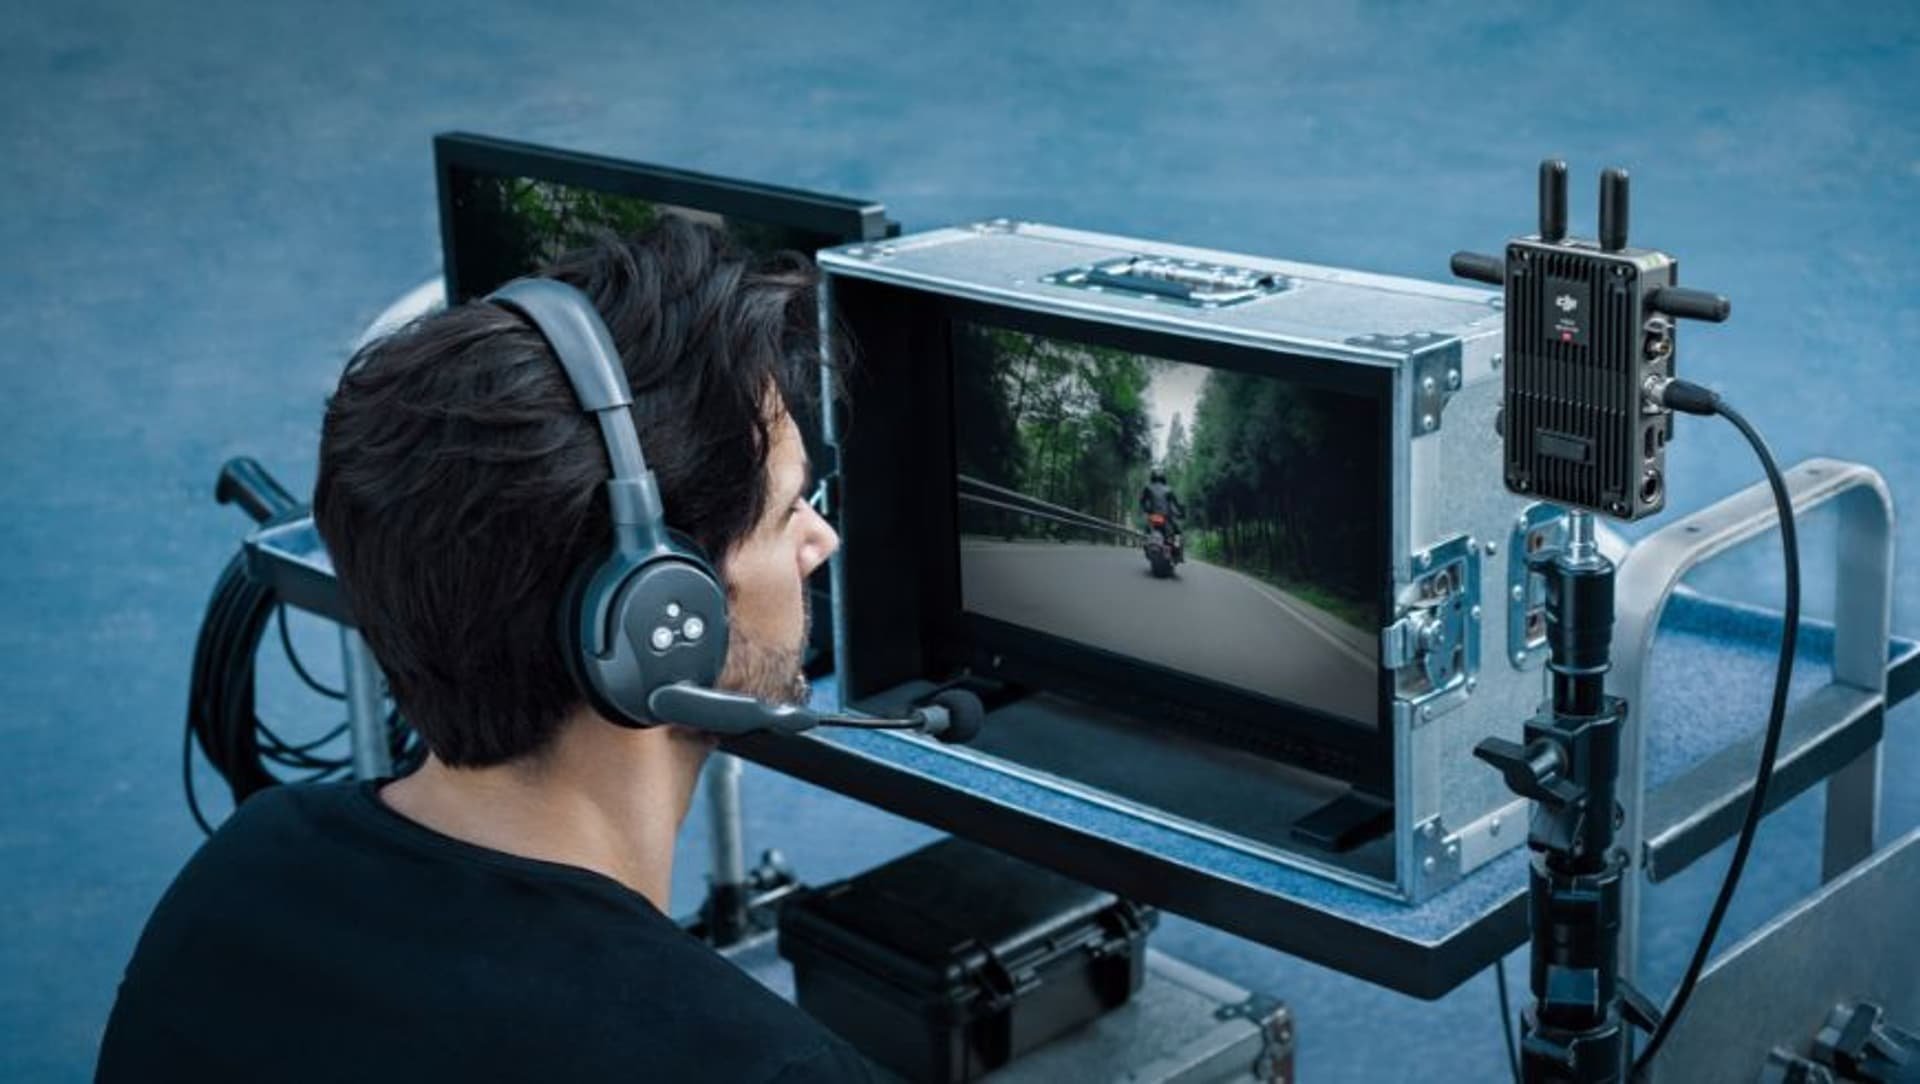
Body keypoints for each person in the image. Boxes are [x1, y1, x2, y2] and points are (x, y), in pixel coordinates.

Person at [96, 220, 881, 1082]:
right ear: (659, 613)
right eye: (789, 508)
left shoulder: (239, 874)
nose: (822, 541)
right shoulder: (766, 1068)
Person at [1138, 467, 1185, 562]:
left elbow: (1142, 501)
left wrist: (1146, 509)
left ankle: (1146, 544)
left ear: (1152, 477)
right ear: (1163, 478)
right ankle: (1177, 553)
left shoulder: (1148, 487)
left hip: (1153, 516)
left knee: (1147, 531)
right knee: (1178, 533)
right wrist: (1181, 513)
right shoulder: (1169, 489)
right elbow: (1177, 504)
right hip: (1166, 517)